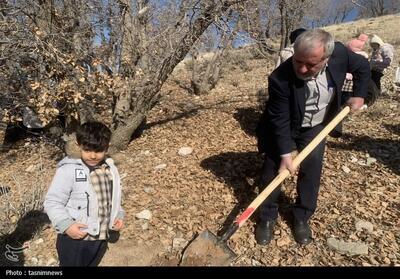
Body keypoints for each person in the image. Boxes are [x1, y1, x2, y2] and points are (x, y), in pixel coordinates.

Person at [255, 29, 370, 246]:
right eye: (298, 61)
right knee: (272, 171)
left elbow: (363, 67)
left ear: (326, 58)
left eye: (310, 64)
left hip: (316, 126)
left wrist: (359, 94)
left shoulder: (341, 55)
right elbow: (279, 119)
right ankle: (267, 218)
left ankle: (302, 217)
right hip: (284, 126)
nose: (301, 68)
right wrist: (286, 153)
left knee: (311, 170)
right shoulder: (280, 78)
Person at [44, 121, 124, 266]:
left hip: (101, 238)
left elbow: (114, 197)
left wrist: (118, 215)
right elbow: (52, 201)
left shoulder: (111, 168)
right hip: (76, 239)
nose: (93, 156)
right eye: (87, 150)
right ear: (78, 144)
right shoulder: (68, 170)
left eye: (99, 150)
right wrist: (66, 225)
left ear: (107, 147)